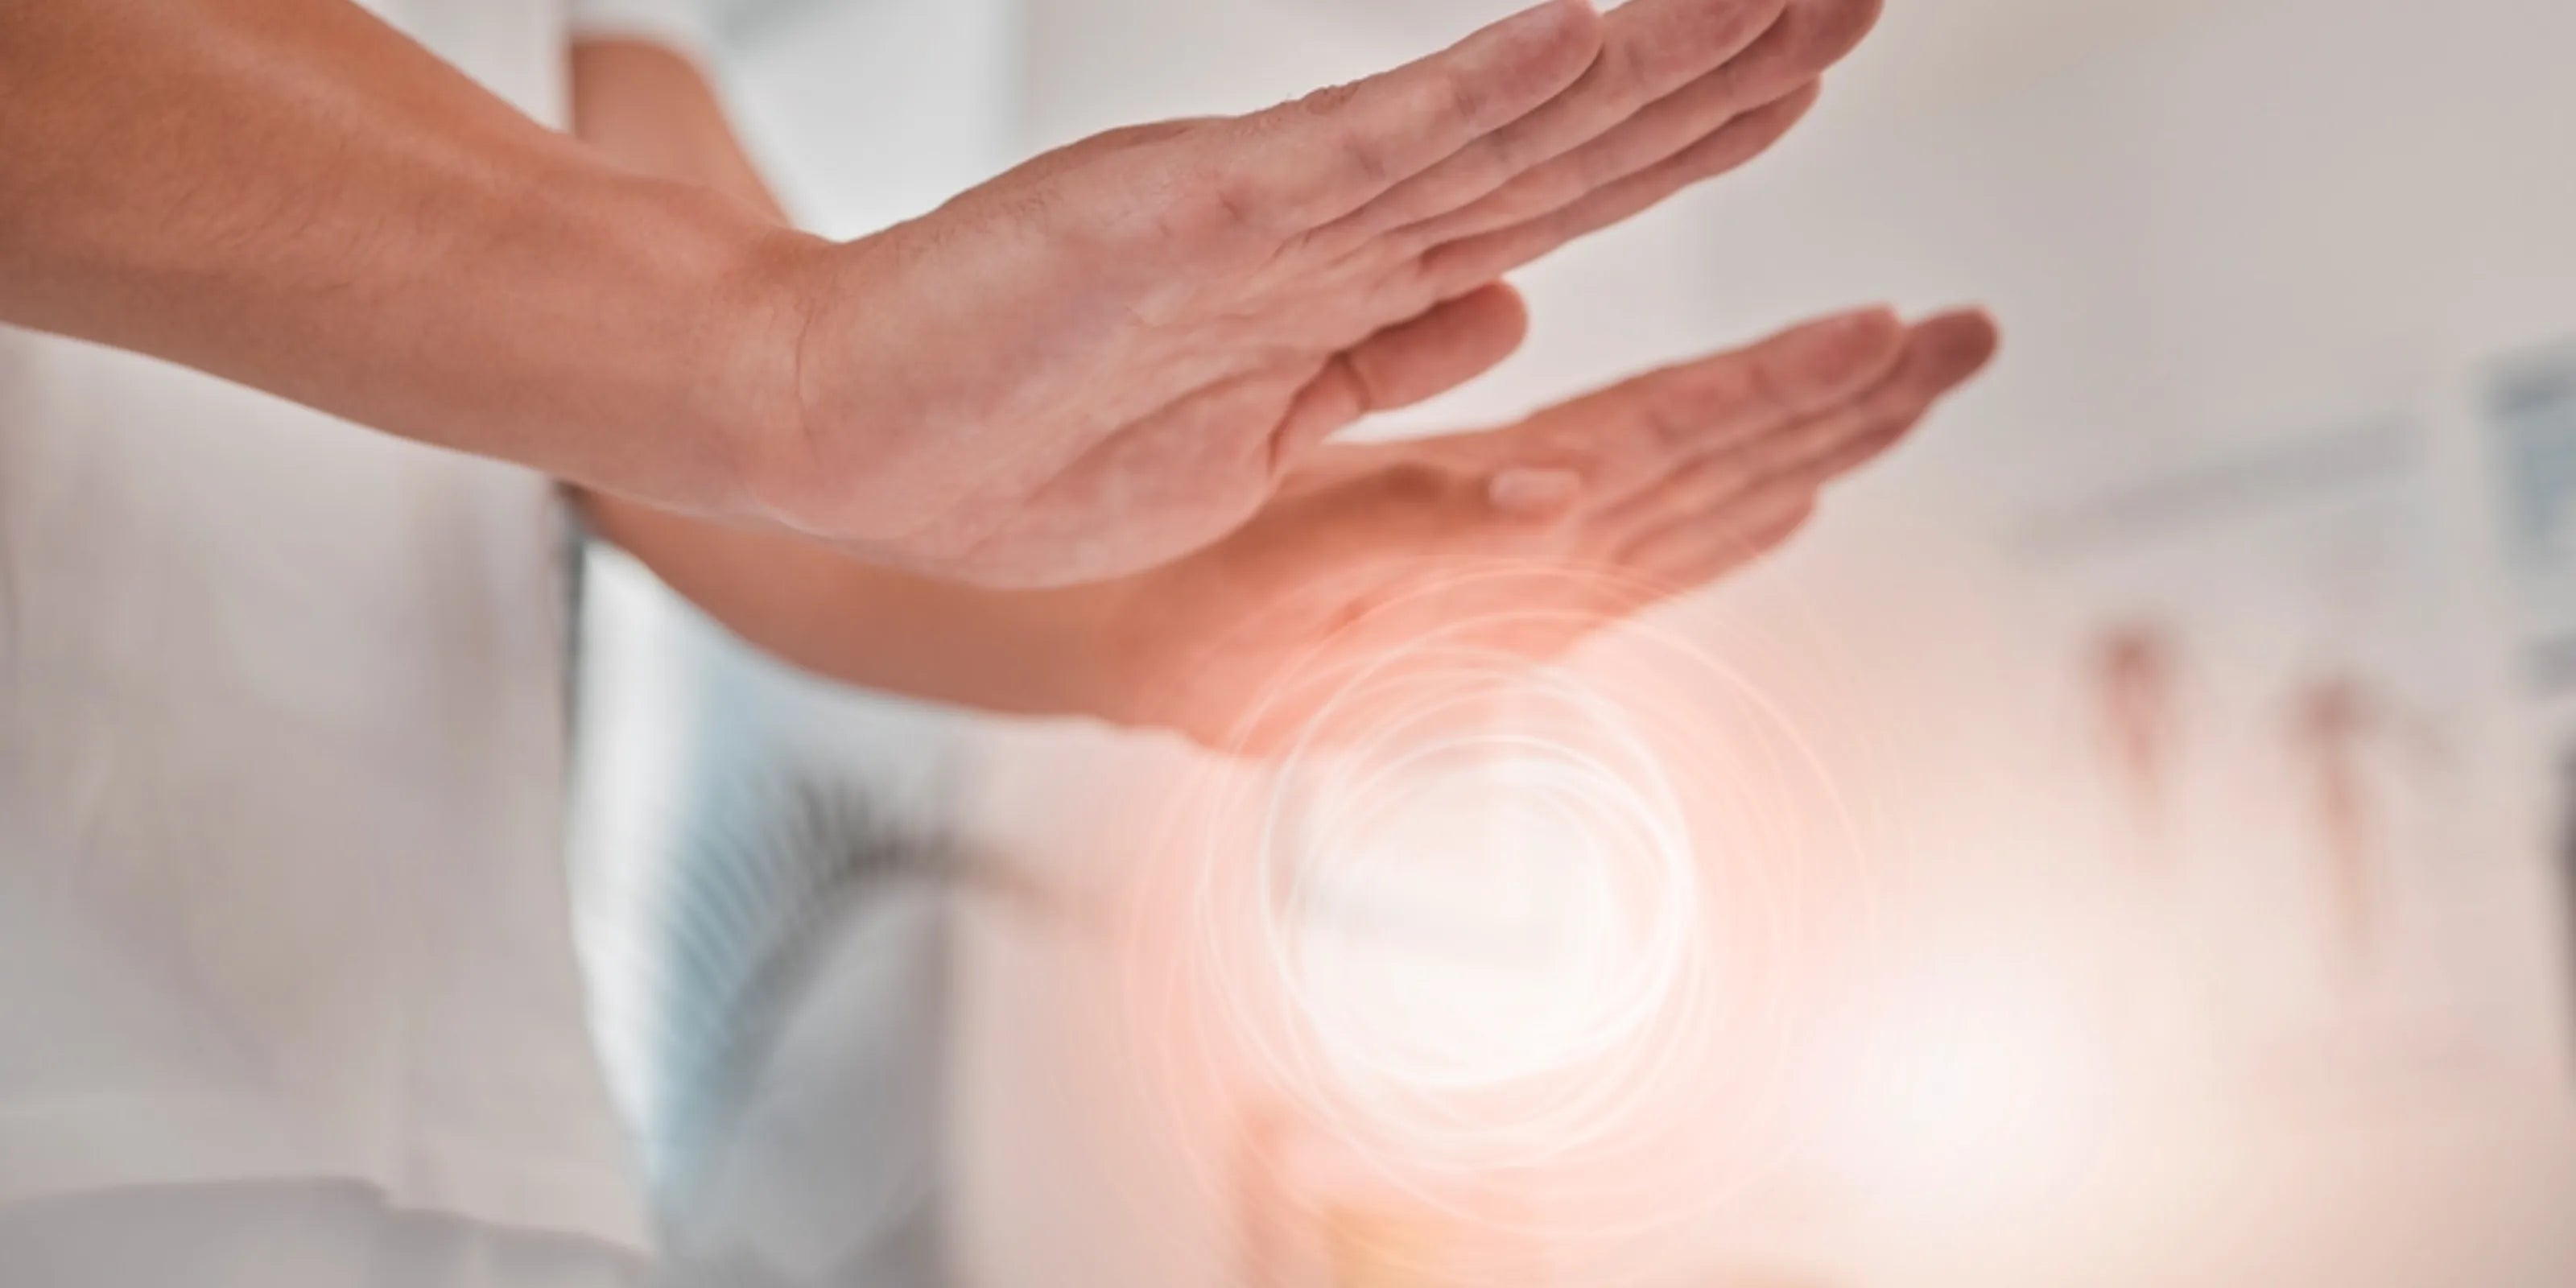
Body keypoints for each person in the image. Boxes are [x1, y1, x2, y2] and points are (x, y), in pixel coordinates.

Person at [0, 0, 1996, 1283]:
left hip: (462, 1155)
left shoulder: (594, 34)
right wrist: (778, 353)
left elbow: (738, 471)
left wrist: (1168, 619)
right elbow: (751, 368)